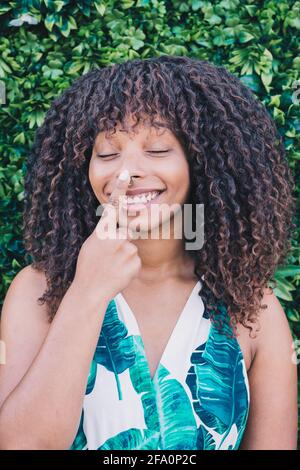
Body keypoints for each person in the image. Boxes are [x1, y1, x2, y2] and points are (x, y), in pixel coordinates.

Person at [0, 56, 297, 450]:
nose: (129, 171)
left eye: (157, 149)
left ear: (200, 162)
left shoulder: (252, 308)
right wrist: (88, 291)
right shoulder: (40, 290)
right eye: (108, 154)